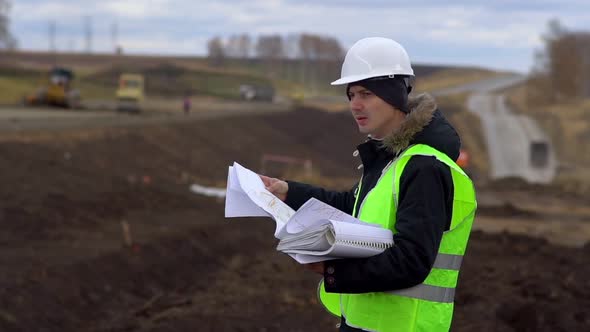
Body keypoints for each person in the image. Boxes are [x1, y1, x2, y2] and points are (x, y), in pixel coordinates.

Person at [260, 37, 477, 331]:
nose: (355, 105)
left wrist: (333, 271)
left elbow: (411, 261)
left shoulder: (424, 167)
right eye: (350, 95)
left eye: (366, 93)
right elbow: (353, 206)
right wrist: (290, 192)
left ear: (394, 95)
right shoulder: (392, 159)